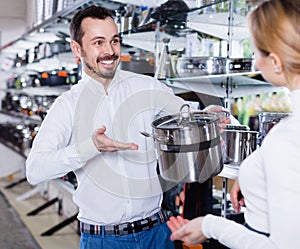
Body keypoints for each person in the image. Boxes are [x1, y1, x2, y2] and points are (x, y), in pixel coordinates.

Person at [25, 5, 229, 249]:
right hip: (103, 239)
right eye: (98, 43)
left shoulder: (147, 87)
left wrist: (207, 116)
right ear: (76, 49)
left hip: (157, 233)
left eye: (114, 41)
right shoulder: (67, 106)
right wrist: (91, 147)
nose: (110, 51)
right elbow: (35, 170)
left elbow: (184, 114)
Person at [167, 0, 300, 248]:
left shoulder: (287, 139)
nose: (255, 62)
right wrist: (256, 173)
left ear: (275, 62)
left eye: (256, 51)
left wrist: (209, 225)